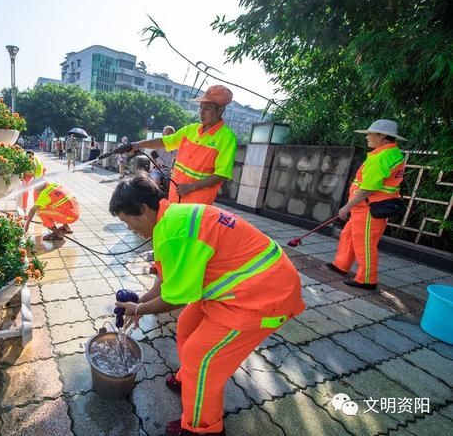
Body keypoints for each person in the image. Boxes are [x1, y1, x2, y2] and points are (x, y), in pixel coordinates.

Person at [110, 174, 304, 436]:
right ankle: (189, 380)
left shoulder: (172, 232)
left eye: (127, 220)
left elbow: (174, 298)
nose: (129, 228)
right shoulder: (170, 219)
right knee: (188, 324)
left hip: (263, 297)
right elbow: (165, 280)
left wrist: (139, 310)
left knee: (201, 359)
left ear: (144, 209)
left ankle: (203, 429)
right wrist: (141, 300)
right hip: (240, 287)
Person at [116, 85, 237, 204]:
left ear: (220, 110)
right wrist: (138, 144)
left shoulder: (227, 138)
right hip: (176, 193)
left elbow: (221, 175)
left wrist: (191, 187)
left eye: (207, 108)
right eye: (201, 107)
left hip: (197, 201)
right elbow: (166, 141)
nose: (201, 112)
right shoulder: (191, 130)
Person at [328, 119, 406, 289]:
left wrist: (347, 206)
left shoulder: (381, 157)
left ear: (383, 135)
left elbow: (368, 188)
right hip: (365, 207)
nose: (367, 137)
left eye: (370, 134)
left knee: (365, 243)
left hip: (370, 208)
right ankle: (341, 264)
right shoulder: (389, 154)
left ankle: (367, 279)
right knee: (348, 235)